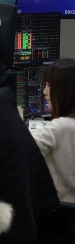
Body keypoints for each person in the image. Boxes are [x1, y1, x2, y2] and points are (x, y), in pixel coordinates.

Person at [33, 58, 75, 202]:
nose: (45, 91)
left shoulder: (57, 128)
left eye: (49, 85)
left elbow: (22, 155)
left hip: (62, 213)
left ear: (63, 90)